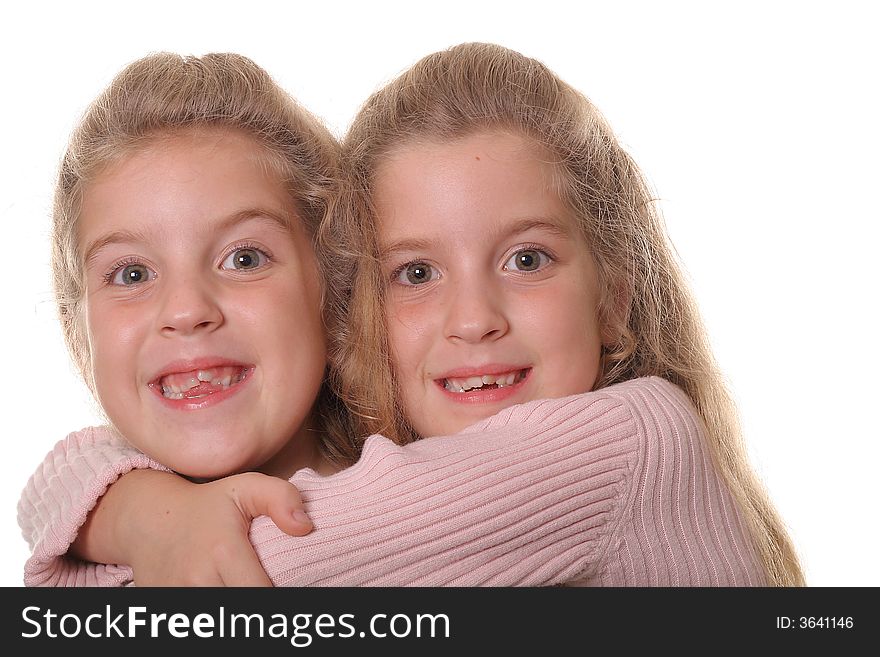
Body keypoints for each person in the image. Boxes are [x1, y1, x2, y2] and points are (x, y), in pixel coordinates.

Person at [19, 44, 804, 586]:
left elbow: (221, 579)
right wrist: (141, 509)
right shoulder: (377, 480)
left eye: (526, 259)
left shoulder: (628, 440)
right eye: (416, 272)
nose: (473, 319)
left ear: (615, 297)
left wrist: (136, 522)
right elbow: (66, 473)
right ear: (362, 303)